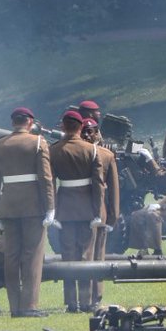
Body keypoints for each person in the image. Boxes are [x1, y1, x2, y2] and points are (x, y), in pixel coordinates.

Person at [0, 107, 55, 317]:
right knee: (32, 255)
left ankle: (15, 306)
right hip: (33, 207)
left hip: (8, 207)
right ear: (30, 122)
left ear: (13, 122)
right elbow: (46, 178)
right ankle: (29, 306)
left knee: (11, 257)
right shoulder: (38, 142)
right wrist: (50, 207)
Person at [48, 111, 105, 313]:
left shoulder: (53, 150)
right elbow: (99, 184)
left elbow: (50, 184)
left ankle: (72, 302)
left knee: (68, 255)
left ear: (63, 126)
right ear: (81, 127)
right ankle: (87, 300)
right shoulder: (91, 150)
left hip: (64, 208)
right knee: (85, 255)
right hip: (87, 208)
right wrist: (98, 212)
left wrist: (52, 210)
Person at [81, 117, 119, 310]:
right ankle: (81, 298)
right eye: (84, 132)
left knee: (98, 255)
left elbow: (113, 189)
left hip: (100, 211)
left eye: (91, 131)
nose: (87, 135)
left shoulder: (106, 154)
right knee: (81, 255)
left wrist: (113, 216)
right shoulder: (77, 152)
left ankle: (96, 297)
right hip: (79, 210)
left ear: (97, 133)